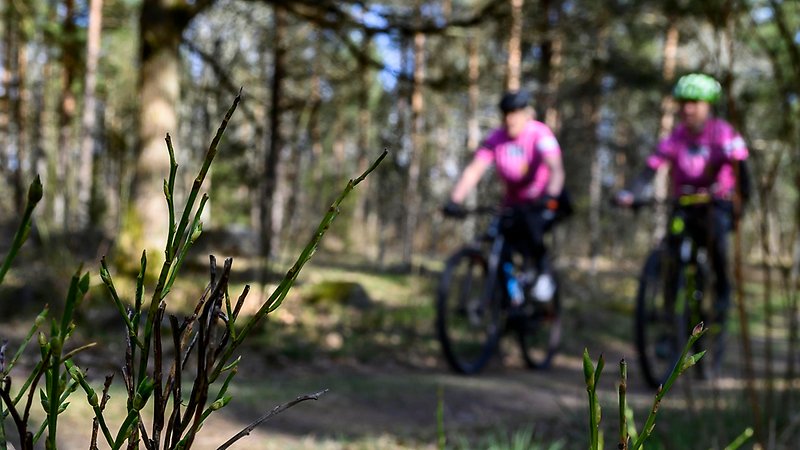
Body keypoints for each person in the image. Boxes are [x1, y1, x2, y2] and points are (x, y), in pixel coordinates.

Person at [616, 73, 751, 325]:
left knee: (716, 241)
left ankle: (721, 292)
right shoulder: (675, 137)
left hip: (715, 204)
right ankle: (670, 320)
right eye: (682, 102)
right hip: (684, 204)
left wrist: (738, 203)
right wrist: (630, 193)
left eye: (694, 102)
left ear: (708, 104)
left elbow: (742, 172)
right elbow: (650, 169)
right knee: (672, 252)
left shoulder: (723, 134)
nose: (687, 108)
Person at [443, 89, 567, 302]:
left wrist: (551, 196)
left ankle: (544, 274)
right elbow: (474, 170)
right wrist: (455, 199)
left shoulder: (540, 133)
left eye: (515, 112)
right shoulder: (496, 138)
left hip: (541, 200)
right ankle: (511, 297)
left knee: (533, 232)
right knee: (498, 242)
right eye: (506, 113)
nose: (510, 118)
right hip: (512, 203)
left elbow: (556, 169)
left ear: (526, 113)